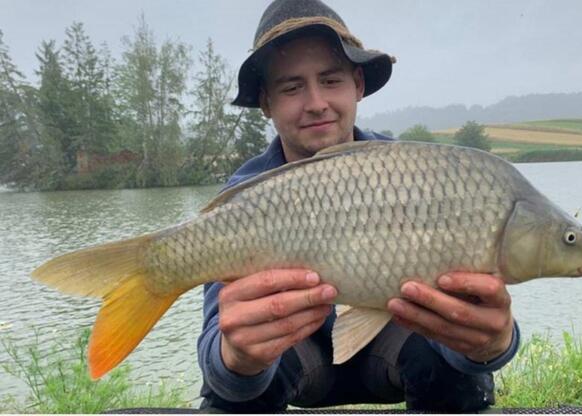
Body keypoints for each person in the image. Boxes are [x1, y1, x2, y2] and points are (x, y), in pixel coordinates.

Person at [198, 0, 520, 412]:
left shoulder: (415, 175)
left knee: (453, 360)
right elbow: (215, 351)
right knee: (238, 366)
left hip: (396, 345)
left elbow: (477, 317)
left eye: (331, 80)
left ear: (358, 85)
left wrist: (494, 343)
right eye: (292, 88)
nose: (316, 102)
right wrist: (236, 359)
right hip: (298, 357)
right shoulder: (244, 199)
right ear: (267, 103)